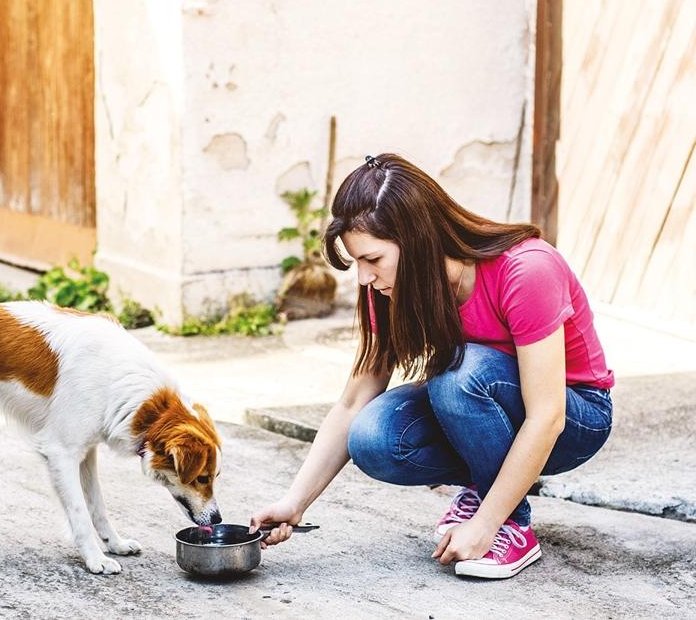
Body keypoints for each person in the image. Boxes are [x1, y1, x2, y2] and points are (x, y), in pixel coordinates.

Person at [250, 153, 614, 579]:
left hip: (574, 418)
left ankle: (510, 524)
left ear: (418, 239)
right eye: (357, 264)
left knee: (458, 375)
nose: (365, 278)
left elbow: (547, 416)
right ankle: (484, 487)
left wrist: (486, 525)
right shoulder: (388, 288)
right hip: (479, 401)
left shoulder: (526, 269)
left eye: (373, 260)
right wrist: (295, 502)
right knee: (372, 436)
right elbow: (353, 403)